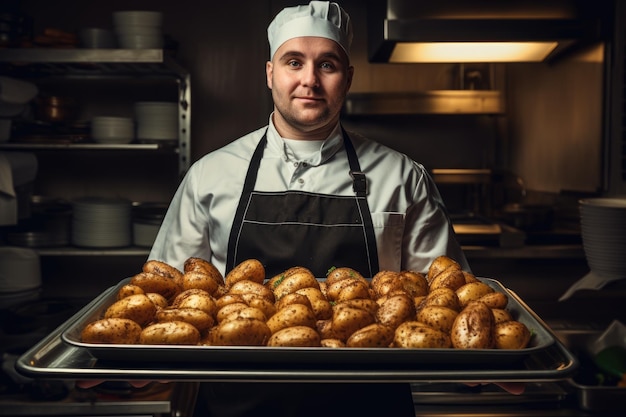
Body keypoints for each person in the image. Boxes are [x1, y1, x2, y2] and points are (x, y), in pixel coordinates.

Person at [146, 2, 520, 416]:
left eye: (327, 64)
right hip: (234, 404)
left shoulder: (403, 177)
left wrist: (476, 359)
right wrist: (140, 366)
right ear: (270, 73)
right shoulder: (210, 176)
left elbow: (446, 299)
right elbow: (166, 302)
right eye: (294, 62)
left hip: (370, 404)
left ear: (348, 78)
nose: (310, 80)